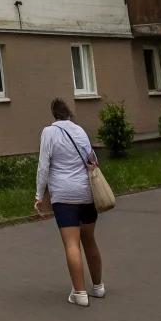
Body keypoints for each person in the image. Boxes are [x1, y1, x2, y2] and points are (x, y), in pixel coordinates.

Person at [34, 97, 105, 307]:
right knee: (89, 239)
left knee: (72, 243)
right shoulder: (80, 131)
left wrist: (39, 195)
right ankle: (98, 287)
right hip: (86, 193)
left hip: (64, 195)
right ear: (68, 114)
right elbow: (93, 160)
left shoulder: (49, 132)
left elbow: (43, 166)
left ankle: (80, 293)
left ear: (53, 114)